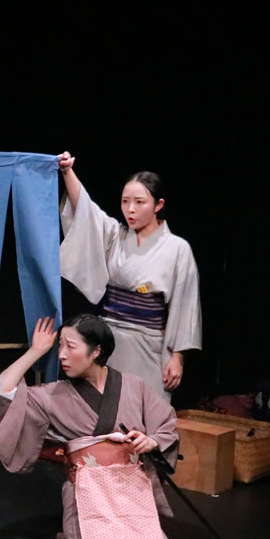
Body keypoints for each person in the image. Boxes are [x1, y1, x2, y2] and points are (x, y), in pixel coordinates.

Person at [0, 314, 189, 539]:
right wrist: (36, 351)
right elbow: (2, 392)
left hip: (132, 496)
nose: (62, 355)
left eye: (70, 347)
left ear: (96, 351)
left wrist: (151, 441)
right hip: (89, 498)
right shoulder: (53, 396)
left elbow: (165, 425)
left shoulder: (133, 386)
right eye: (59, 346)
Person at [57, 153, 202, 400]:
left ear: (158, 205)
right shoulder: (116, 235)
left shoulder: (178, 249)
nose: (130, 209)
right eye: (125, 201)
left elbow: (186, 306)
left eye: (139, 202)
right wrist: (67, 172)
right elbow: (85, 211)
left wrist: (177, 357)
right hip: (108, 341)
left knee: (145, 409)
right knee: (104, 408)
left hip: (149, 345)